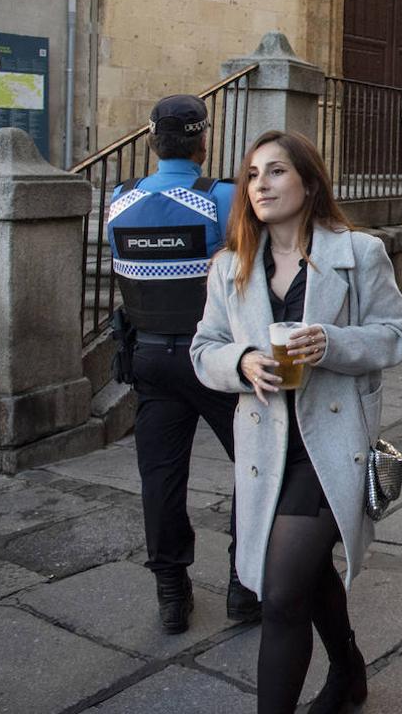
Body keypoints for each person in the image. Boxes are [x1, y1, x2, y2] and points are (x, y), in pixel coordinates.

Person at [191, 130, 402, 713]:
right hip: (266, 445)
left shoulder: (359, 253)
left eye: (277, 171)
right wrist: (239, 361)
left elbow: (396, 336)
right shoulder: (230, 266)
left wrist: (331, 343)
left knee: (283, 592)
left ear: (309, 182)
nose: (260, 184)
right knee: (305, 576)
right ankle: (347, 669)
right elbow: (203, 349)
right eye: (253, 175)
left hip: (331, 445)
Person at [105, 94, 259, 633]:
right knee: (256, 464)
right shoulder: (221, 198)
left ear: (152, 142)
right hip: (213, 359)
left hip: (148, 356)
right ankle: (246, 585)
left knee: (161, 478)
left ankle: (171, 593)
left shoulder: (119, 201)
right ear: (203, 141)